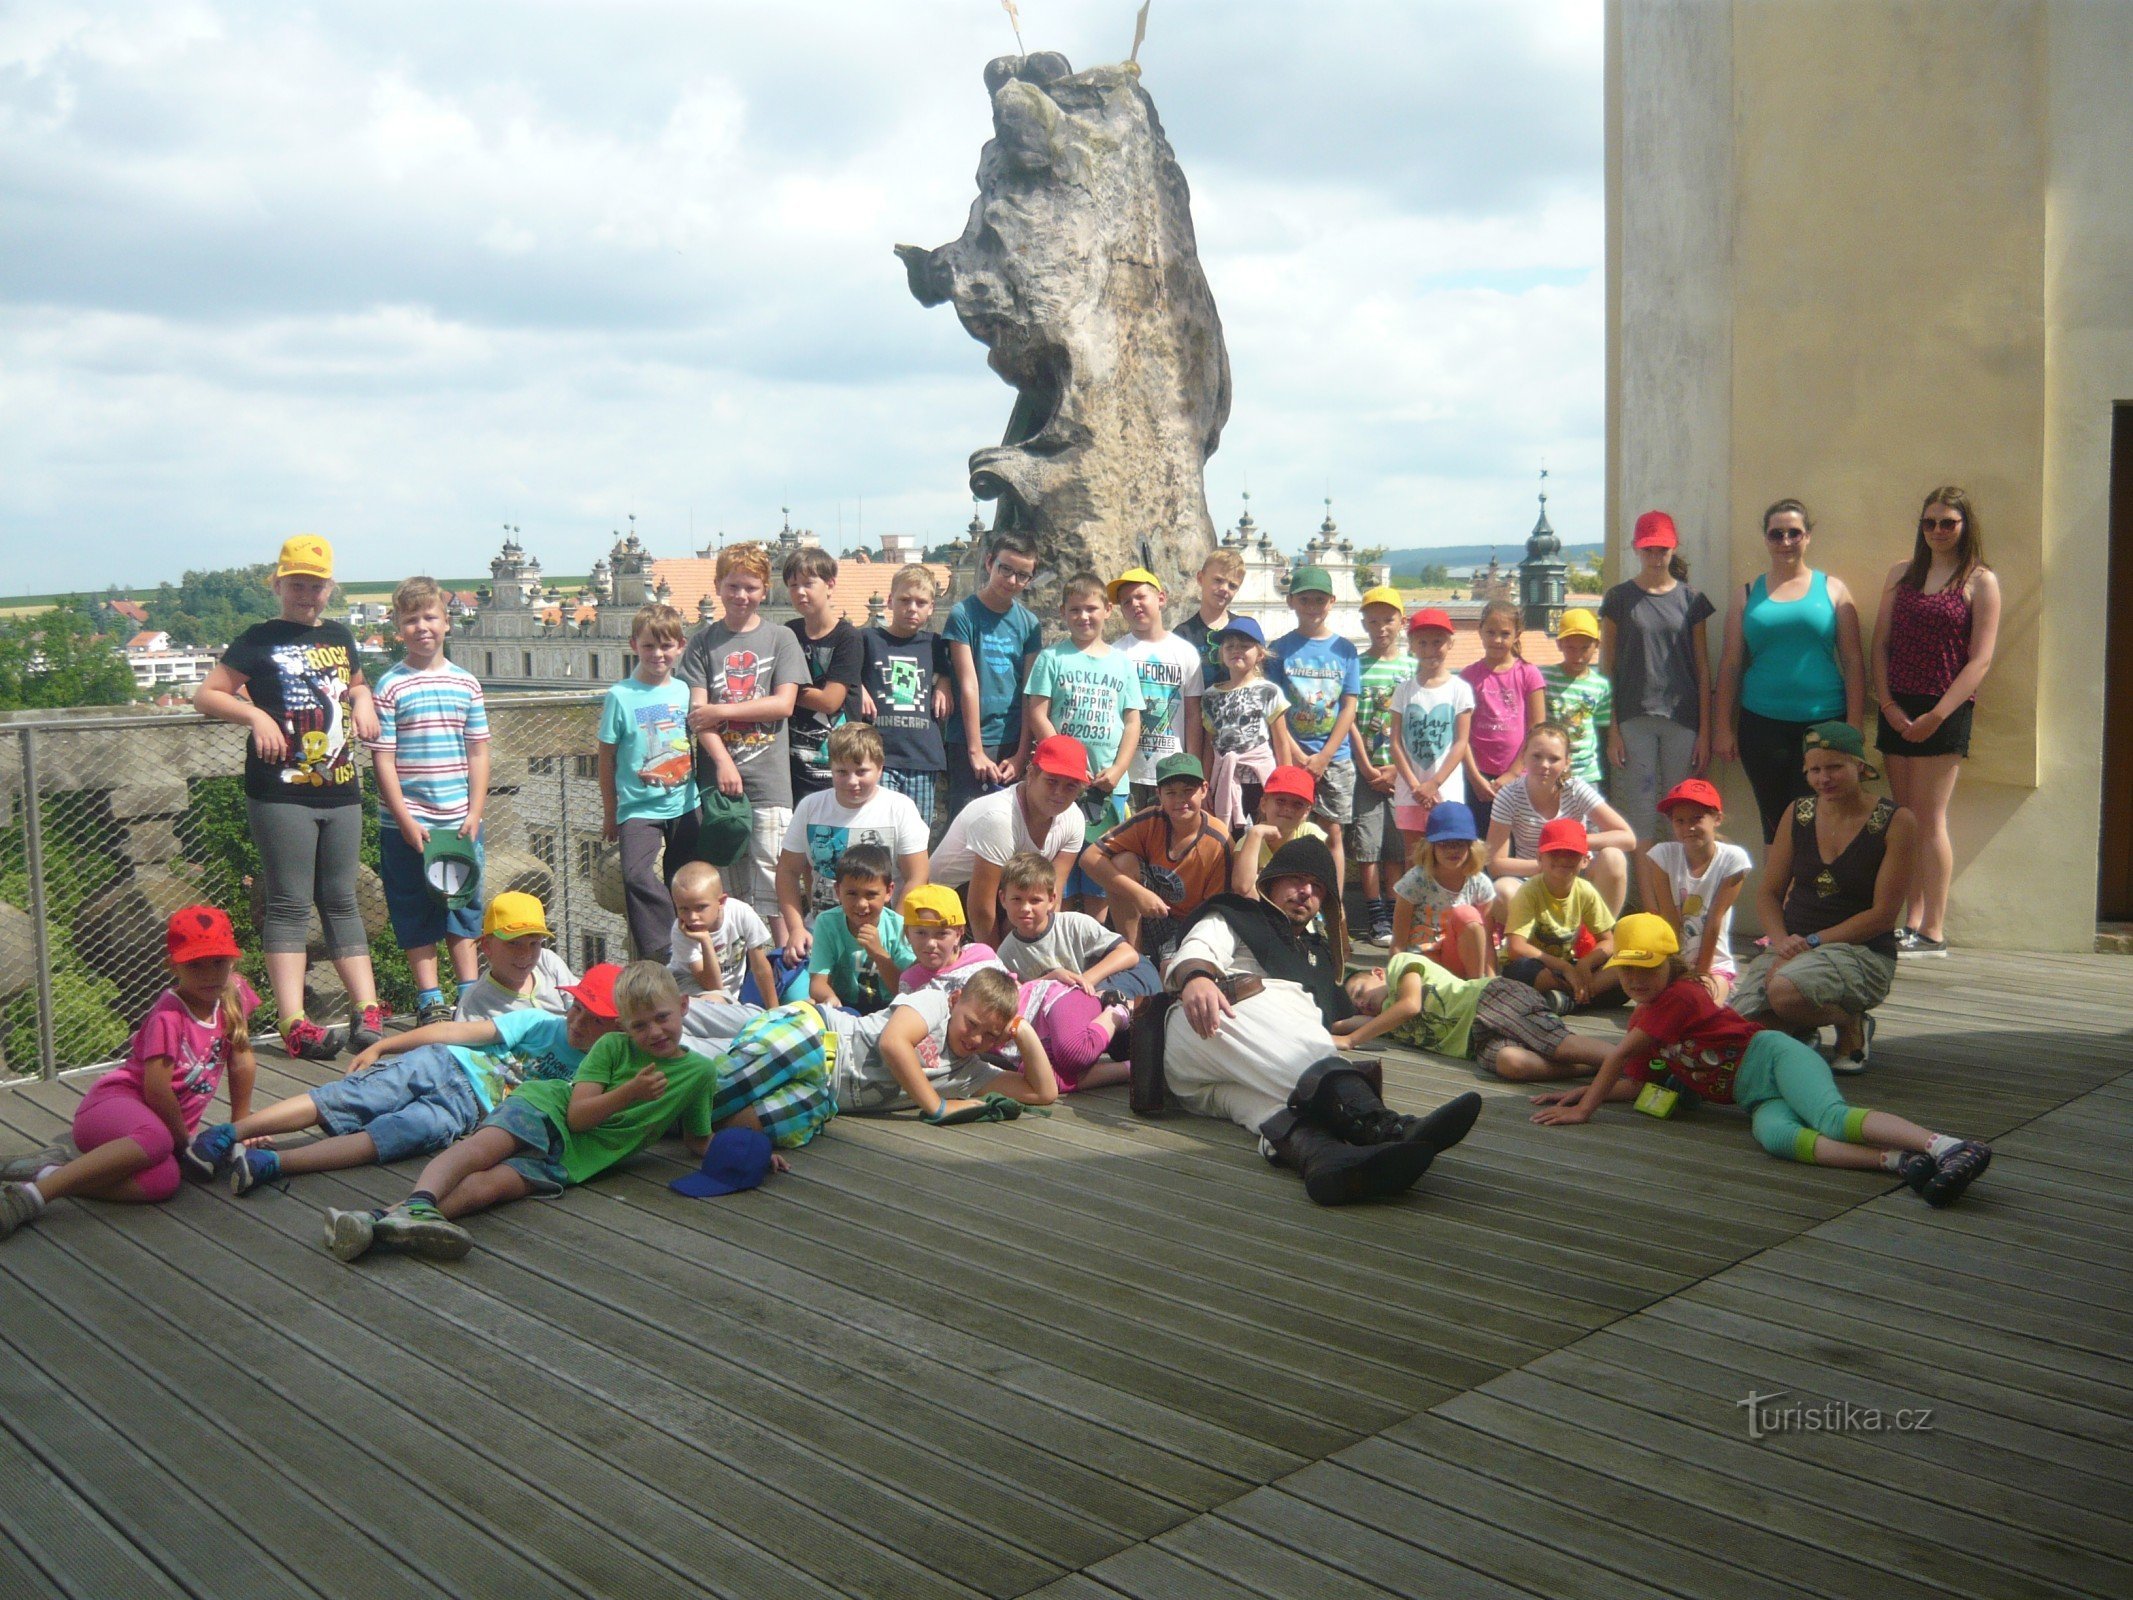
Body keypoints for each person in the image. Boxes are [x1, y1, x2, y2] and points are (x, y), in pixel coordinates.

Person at [324, 963, 816, 1262]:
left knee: (490, 1189)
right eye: (638, 1024)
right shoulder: (613, 1050)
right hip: (545, 1109)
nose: (653, 1032)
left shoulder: (700, 1076)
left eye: (662, 1018)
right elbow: (579, 1115)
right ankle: (420, 1201)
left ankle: (377, 1226)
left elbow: (696, 1140)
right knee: (477, 1151)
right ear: (624, 1025)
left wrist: (749, 1152)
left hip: (581, 1160)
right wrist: (632, 1094)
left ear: (684, 1007)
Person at [1531, 916, 1992, 1205]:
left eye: (1646, 967)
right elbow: (1632, 1080)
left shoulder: (1678, 997)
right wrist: (1583, 1093)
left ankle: (1946, 1146)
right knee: (1777, 1138)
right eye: (1626, 969)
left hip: (1771, 1057)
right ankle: (1897, 1162)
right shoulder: (1647, 1020)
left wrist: (1585, 1109)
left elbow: (1620, 1057)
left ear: (1671, 964)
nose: (1635, 979)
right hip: (1754, 1095)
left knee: (1829, 1117)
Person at [1142, 834, 1484, 1205]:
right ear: (1271, 881)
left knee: (1266, 1106)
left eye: (1317, 886)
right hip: (1200, 1027)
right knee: (1288, 1005)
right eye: (1296, 880)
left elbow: (1344, 1013)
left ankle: (1324, 1158)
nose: (1305, 891)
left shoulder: (1318, 959)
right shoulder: (1236, 916)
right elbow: (1198, 949)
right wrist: (1196, 977)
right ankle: (1382, 1123)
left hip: (1225, 1083)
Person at [192, 533, 384, 1059]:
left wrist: (364, 698)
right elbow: (205, 694)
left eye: (317, 585)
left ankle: (368, 1011)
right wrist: (254, 714)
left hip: (341, 786)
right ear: (278, 584)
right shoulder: (258, 637)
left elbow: (356, 683)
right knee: (289, 903)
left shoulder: (341, 636)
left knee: (344, 900)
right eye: (297, 583)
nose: (308, 594)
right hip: (280, 790)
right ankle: (294, 1021)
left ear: (330, 588)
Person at [195, 965, 624, 1196]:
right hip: (445, 1064)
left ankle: (271, 1164)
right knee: (348, 1097)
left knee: (385, 1140)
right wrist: (386, 1046)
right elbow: (456, 1032)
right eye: (576, 1006)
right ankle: (231, 1132)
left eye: (595, 1016)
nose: (578, 1020)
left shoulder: (595, 1075)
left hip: (465, 1114)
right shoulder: (538, 1023)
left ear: (619, 1029)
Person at [0, 907, 258, 1239]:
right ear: (173, 966)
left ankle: (51, 1172)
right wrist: (185, 1141)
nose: (209, 973)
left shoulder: (234, 995)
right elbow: (156, 1090)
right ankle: (31, 1198)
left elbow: (242, 1061)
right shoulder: (169, 1014)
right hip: (110, 1109)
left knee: (163, 1181)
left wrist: (241, 1128)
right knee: (158, 1140)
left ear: (233, 961)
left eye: (218, 961)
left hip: (157, 1133)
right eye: (195, 964)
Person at [1729, 722, 1913, 1072]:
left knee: (1784, 991)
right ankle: (1803, 1025)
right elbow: (1769, 893)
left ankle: (1849, 1022)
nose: (1823, 778)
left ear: (1859, 766)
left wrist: (1809, 944)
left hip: (1862, 951)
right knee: (1738, 1032)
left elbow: (1882, 915)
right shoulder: (1798, 813)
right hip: (1794, 945)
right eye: (1814, 770)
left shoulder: (1896, 821)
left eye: (1834, 767)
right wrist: (1783, 943)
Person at [1870, 485, 2000, 957]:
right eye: (1930, 523)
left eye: (1948, 522)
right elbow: (1880, 644)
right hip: (1897, 707)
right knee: (1903, 819)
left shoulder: (1980, 580)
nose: (1938, 531)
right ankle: (1910, 920)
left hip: (1944, 708)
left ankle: (1932, 930)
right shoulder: (1901, 574)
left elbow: (1980, 660)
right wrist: (1887, 705)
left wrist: (1937, 715)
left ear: (1965, 526)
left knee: (1930, 819)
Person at [366, 575, 490, 1026]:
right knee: (413, 905)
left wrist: (476, 810)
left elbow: (478, 750)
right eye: (411, 620)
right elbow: (383, 759)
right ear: (398, 628)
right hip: (408, 822)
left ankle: (469, 993)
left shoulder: (466, 683)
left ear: (446, 622)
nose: (422, 627)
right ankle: (430, 997)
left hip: (458, 820)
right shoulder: (391, 686)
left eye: (430, 617)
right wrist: (402, 817)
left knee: (462, 906)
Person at [1715, 497, 1867, 843]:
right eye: (1776, 534)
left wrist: (1855, 726)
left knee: (1824, 822)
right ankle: (1777, 898)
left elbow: (1855, 662)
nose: (1785, 541)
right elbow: (1730, 664)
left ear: (1808, 536)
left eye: (1794, 533)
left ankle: (1814, 898)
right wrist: (1722, 727)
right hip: (1762, 727)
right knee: (1777, 825)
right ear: (1766, 538)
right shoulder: (1746, 594)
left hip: (1825, 727)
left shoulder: (1833, 590)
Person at [681, 543, 808, 943]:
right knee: (727, 887)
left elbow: (783, 704)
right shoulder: (702, 642)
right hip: (719, 782)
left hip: (770, 780)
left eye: (751, 588)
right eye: (733, 586)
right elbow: (698, 715)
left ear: (764, 590)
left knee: (775, 878)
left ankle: (787, 960)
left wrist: (723, 713)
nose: (742, 596)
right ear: (718, 586)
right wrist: (723, 762)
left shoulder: (780, 638)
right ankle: (739, 967)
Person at [1025, 571, 1144, 915]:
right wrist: (1067, 764)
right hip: (1062, 783)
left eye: (1091, 608)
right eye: (1075, 610)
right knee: (1056, 873)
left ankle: (1089, 949)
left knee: (1098, 874)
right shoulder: (1052, 658)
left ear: (1108, 610)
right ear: (1063, 612)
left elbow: (1132, 721)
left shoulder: (1121, 663)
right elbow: (1038, 713)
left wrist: (1120, 768)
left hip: (1108, 786)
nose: (1083, 617)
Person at [1601, 509, 1715, 844]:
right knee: (1640, 814)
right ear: (1636, 549)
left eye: (1662, 550)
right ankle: (1646, 896)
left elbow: (1703, 667)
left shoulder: (1691, 599)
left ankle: (1679, 893)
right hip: (1633, 717)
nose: (1655, 557)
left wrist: (1705, 734)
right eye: (1648, 549)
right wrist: (1612, 730)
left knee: (1682, 811)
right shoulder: (1619, 599)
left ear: (1673, 549)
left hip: (1683, 719)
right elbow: (1606, 669)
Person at [599, 602, 700, 963]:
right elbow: (606, 756)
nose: (658, 654)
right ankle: (661, 950)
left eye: (666, 646)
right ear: (633, 646)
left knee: (683, 881)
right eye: (649, 646)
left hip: (685, 803)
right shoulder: (620, 695)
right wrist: (610, 812)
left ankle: (689, 951)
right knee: (636, 876)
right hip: (638, 805)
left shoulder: (686, 691)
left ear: (680, 646)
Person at [1338, 957, 1616, 1083]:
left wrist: (1350, 1041)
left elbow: (1411, 1006)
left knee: (1558, 1045)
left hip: (1490, 999)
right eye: (1357, 1004)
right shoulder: (1386, 1022)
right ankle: (1595, 1067)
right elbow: (1344, 1024)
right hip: (1476, 1044)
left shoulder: (1400, 966)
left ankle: (1634, 1059)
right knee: (1513, 1064)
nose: (1361, 1002)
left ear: (1378, 973)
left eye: (1360, 991)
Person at [776, 723, 929, 949]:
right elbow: (787, 871)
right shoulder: (811, 807)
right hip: (821, 931)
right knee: (797, 986)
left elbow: (917, 875)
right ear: (830, 768)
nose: (852, 781)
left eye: (861, 771)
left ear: (880, 768)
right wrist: (796, 928)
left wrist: (895, 930)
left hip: (883, 932)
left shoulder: (899, 808)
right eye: (842, 772)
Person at [928, 735, 1092, 947]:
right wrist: (996, 965)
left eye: (1070, 786)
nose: (1059, 793)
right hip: (947, 901)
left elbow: (1052, 895)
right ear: (1032, 774)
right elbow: (980, 907)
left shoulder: (1074, 818)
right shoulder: (999, 817)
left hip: (1007, 898)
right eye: (1051, 781)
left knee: (1033, 894)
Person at [1076, 752, 1232, 957]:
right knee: (1123, 862)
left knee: (1171, 972)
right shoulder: (1150, 820)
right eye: (1171, 792)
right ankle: (1134, 957)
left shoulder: (1218, 841)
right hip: (1149, 911)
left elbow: (1216, 910)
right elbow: (1089, 858)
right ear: (1159, 794)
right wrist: (1139, 894)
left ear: (1203, 790)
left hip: (1191, 924)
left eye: (1188, 791)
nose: (1180, 800)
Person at [1269, 565, 1361, 894]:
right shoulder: (1279, 649)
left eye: (1319, 600)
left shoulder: (1344, 650)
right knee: (1289, 828)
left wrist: (1324, 756)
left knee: (1332, 832)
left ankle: (1333, 902)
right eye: (1305, 599)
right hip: (1293, 753)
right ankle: (1291, 895)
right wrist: (1297, 754)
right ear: (1291, 601)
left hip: (1334, 755)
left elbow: (1349, 706)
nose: (1312, 606)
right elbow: (1274, 706)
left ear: (1331, 602)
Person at [1484, 723, 1637, 914]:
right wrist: (1548, 867)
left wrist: (1572, 843)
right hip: (1533, 877)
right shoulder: (1509, 795)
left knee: (1614, 858)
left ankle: (1601, 937)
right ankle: (1530, 941)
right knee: (1502, 891)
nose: (1544, 765)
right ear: (1523, 756)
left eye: (1554, 759)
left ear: (1567, 762)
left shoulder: (1575, 788)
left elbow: (1628, 837)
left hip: (1576, 874)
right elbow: (1495, 864)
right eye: (1537, 756)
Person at [943, 528, 1043, 815]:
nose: (1012, 581)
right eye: (1005, 569)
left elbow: (1028, 690)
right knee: (964, 823)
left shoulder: (1029, 623)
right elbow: (968, 684)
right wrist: (975, 750)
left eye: (1022, 575)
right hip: (969, 739)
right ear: (989, 563)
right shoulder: (964, 614)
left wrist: (1022, 754)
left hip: (1010, 739)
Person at [1637, 778, 1752, 1001]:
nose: (1688, 827)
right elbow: (1669, 917)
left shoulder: (1733, 859)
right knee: (1649, 1010)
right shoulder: (1663, 855)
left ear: (1717, 818)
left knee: (1700, 1005)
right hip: (1673, 959)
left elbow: (1714, 922)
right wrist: (1674, 970)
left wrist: (1698, 974)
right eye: (1679, 821)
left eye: (1697, 818)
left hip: (1713, 963)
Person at [859, 563, 954, 833]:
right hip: (878, 757)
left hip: (922, 758)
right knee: (877, 831)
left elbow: (948, 673)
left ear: (931, 607)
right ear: (890, 601)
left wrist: (945, 682)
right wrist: (859, 688)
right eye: (904, 600)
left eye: (920, 602)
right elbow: (847, 673)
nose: (912, 607)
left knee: (916, 833)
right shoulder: (867, 639)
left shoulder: (935, 644)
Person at [994, 851, 1162, 1000]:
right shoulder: (1007, 953)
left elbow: (1128, 954)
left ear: (1051, 900)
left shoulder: (1074, 924)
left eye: (1035, 900)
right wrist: (1052, 978)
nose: (1025, 909)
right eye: (1016, 899)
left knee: (1116, 990)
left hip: (1109, 983)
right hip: (1066, 1007)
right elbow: (1017, 996)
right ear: (1003, 899)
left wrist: (1084, 981)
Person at [1500, 818, 1620, 1009]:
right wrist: (1564, 968)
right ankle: (1579, 996)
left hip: (1569, 965)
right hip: (1540, 967)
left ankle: (1566, 999)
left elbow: (1610, 941)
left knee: (1624, 968)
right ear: (1540, 857)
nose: (1563, 859)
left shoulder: (1585, 890)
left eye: (1571, 854)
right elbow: (1516, 948)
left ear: (1585, 860)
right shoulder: (1529, 891)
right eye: (1555, 852)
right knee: (1523, 970)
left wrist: (1585, 964)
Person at [1111, 567, 1203, 812]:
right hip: (1128, 771)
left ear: (1161, 598)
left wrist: (1193, 765)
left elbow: (1194, 714)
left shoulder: (1185, 652)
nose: (1135, 605)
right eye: (1126, 601)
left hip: (1172, 769)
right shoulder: (1116, 653)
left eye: (1141, 597)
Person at [1350, 585, 1412, 946]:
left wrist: (1398, 770)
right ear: (1364, 623)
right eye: (1373, 621)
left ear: (1401, 623)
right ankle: (1375, 912)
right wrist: (1367, 767)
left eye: (1388, 620)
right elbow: (1352, 721)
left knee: (1396, 846)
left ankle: (1394, 908)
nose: (1381, 627)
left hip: (1401, 771)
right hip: (1366, 771)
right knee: (1368, 844)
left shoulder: (1411, 668)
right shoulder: (1356, 666)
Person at [1458, 598, 1547, 837]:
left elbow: (1537, 731)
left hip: (1520, 775)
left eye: (1505, 633)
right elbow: (1461, 734)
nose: (1497, 640)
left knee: (1519, 840)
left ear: (1518, 634)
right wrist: (1475, 778)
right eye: (1491, 632)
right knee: (1481, 840)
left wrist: (1513, 773)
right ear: (1480, 632)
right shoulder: (1468, 676)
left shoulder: (1529, 674)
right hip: (1479, 778)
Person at [782, 547, 864, 801]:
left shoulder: (847, 636)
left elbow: (830, 701)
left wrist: (785, 691)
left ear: (830, 585)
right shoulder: (789, 632)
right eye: (793, 585)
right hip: (795, 765)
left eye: (808, 583)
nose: (800, 592)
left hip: (837, 765)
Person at [1389, 607, 1473, 855]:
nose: (1429, 649)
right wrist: (1417, 787)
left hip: (1446, 791)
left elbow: (1461, 742)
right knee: (1414, 858)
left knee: (1448, 854)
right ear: (1412, 645)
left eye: (1437, 642)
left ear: (1450, 644)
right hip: (1409, 791)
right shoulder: (1403, 691)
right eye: (1422, 643)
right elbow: (1395, 742)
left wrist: (1434, 784)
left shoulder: (1460, 689)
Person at [1198, 617, 1296, 827]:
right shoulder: (1210, 696)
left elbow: (1281, 742)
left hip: (1260, 781)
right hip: (1224, 779)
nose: (1236, 650)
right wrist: (1204, 783)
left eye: (1244, 646)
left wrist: (1286, 785)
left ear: (1260, 653)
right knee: (1226, 836)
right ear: (1221, 653)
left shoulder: (1269, 691)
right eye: (1230, 646)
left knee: (1262, 834)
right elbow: (1209, 745)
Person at [1389, 801, 1495, 979]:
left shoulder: (1480, 883)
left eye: (1460, 843)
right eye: (1444, 843)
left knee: (1467, 914)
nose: (1453, 850)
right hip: (1422, 964)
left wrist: (1492, 983)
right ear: (1431, 846)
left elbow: (1487, 944)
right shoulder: (1415, 881)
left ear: (1471, 846)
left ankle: (1476, 989)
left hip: (1459, 959)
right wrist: (1396, 983)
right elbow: (1398, 943)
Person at [806, 843, 914, 1014]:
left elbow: (906, 990)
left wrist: (878, 953)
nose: (861, 904)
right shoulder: (827, 923)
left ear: (888, 892)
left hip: (889, 1008)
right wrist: (829, 998)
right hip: (844, 1006)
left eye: (871, 894)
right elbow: (818, 982)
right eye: (851, 894)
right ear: (838, 891)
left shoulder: (899, 927)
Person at [665, 860, 778, 1006]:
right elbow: (713, 987)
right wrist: (705, 941)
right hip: (689, 987)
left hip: (726, 996)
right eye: (683, 909)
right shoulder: (681, 931)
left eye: (700, 907)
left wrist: (774, 1009)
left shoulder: (741, 913)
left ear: (721, 901)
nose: (692, 917)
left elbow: (760, 968)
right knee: (714, 1004)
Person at [454, 892, 579, 1022]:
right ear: (487, 946)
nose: (525, 954)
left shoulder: (549, 963)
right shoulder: (475, 1002)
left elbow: (583, 1006)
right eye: (513, 943)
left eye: (534, 943)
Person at [1542, 608, 1613, 790]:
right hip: (1550, 769)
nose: (1578, 655)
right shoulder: (1545, 678)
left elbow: (1601, 727)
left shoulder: (1600, 685)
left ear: (1597, 645)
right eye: (1570, 648)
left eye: (1584, 648)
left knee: (1586, 819)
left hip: (1586, 773)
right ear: (1559, 645)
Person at [1230, 765, 1329, 890]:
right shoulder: (1250, 841)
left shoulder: (1311, 834)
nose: (1288, 808)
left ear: (1307, 812)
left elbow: (1322, 884)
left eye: (1298, 804)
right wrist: (1255, 833)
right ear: (1264, 804)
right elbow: (1242, 888)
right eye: (1281, 801)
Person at [895, 884, 1003, 998]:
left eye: (942, 934)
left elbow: (1015, 993)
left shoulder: (982, 957)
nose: (931, 943)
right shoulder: (911, 982)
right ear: (907, 934)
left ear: (958, 933)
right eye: (921, 933)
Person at [1174, 545, 1247, 704]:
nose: (1224, 589)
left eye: (1232, 585)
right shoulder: (1182, 634)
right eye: (1218, 580)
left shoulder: (1245, 631)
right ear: (1200, 578)